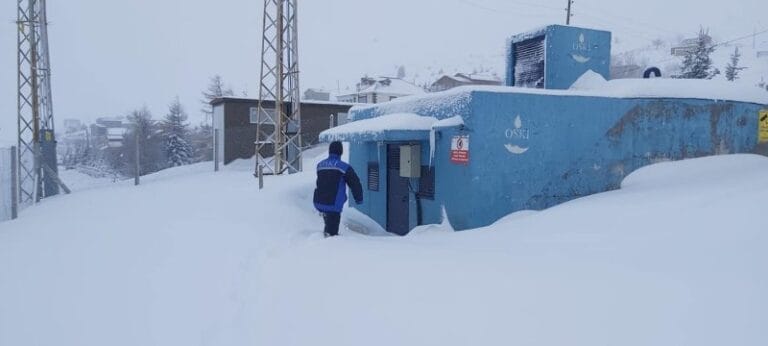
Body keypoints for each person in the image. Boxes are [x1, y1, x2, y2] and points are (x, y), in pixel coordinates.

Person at [313, 141, 363, 237]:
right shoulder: (344, 167)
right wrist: (359, 199)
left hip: (319, 202)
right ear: (341, 152)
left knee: (327, 227)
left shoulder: (320, 165)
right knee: (332, 234)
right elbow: (355, 184)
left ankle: (323, 239)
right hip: (333, 205)